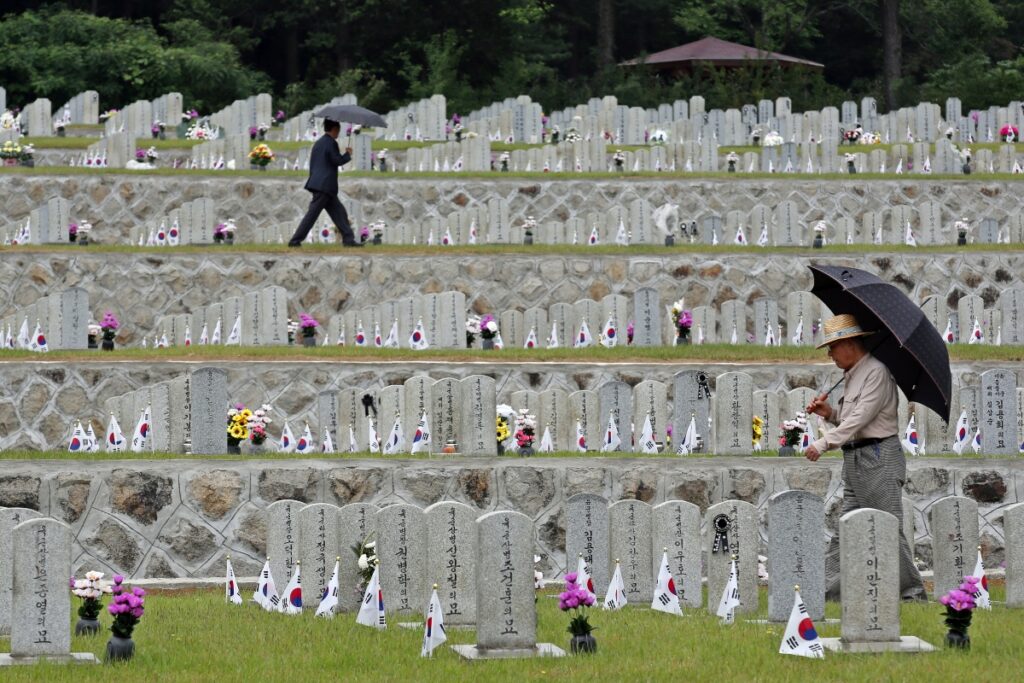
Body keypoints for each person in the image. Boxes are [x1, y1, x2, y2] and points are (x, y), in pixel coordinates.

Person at [804, 313, 926, 602]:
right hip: (856, 460)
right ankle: (829, 593)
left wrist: (823, 443)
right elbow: (851, 419)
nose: (831, 355)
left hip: (879, 458)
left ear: (849, 343)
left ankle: (912, 595)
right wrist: (830, 414)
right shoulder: (853, 374)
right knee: (844, 528)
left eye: (832, 348)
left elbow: (861, 418)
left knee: (887, 528)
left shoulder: (877, 373)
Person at [288, 119, 362, 247]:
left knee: (339, 213)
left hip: (322, 185)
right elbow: (336, 160)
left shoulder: (319, 143)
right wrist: (347, 154)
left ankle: (348, 239)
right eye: (338, 130)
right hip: (324, 186)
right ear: (334, 129)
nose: (338, 132)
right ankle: (295, 241)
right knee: (312, 215)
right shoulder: (331, 143)